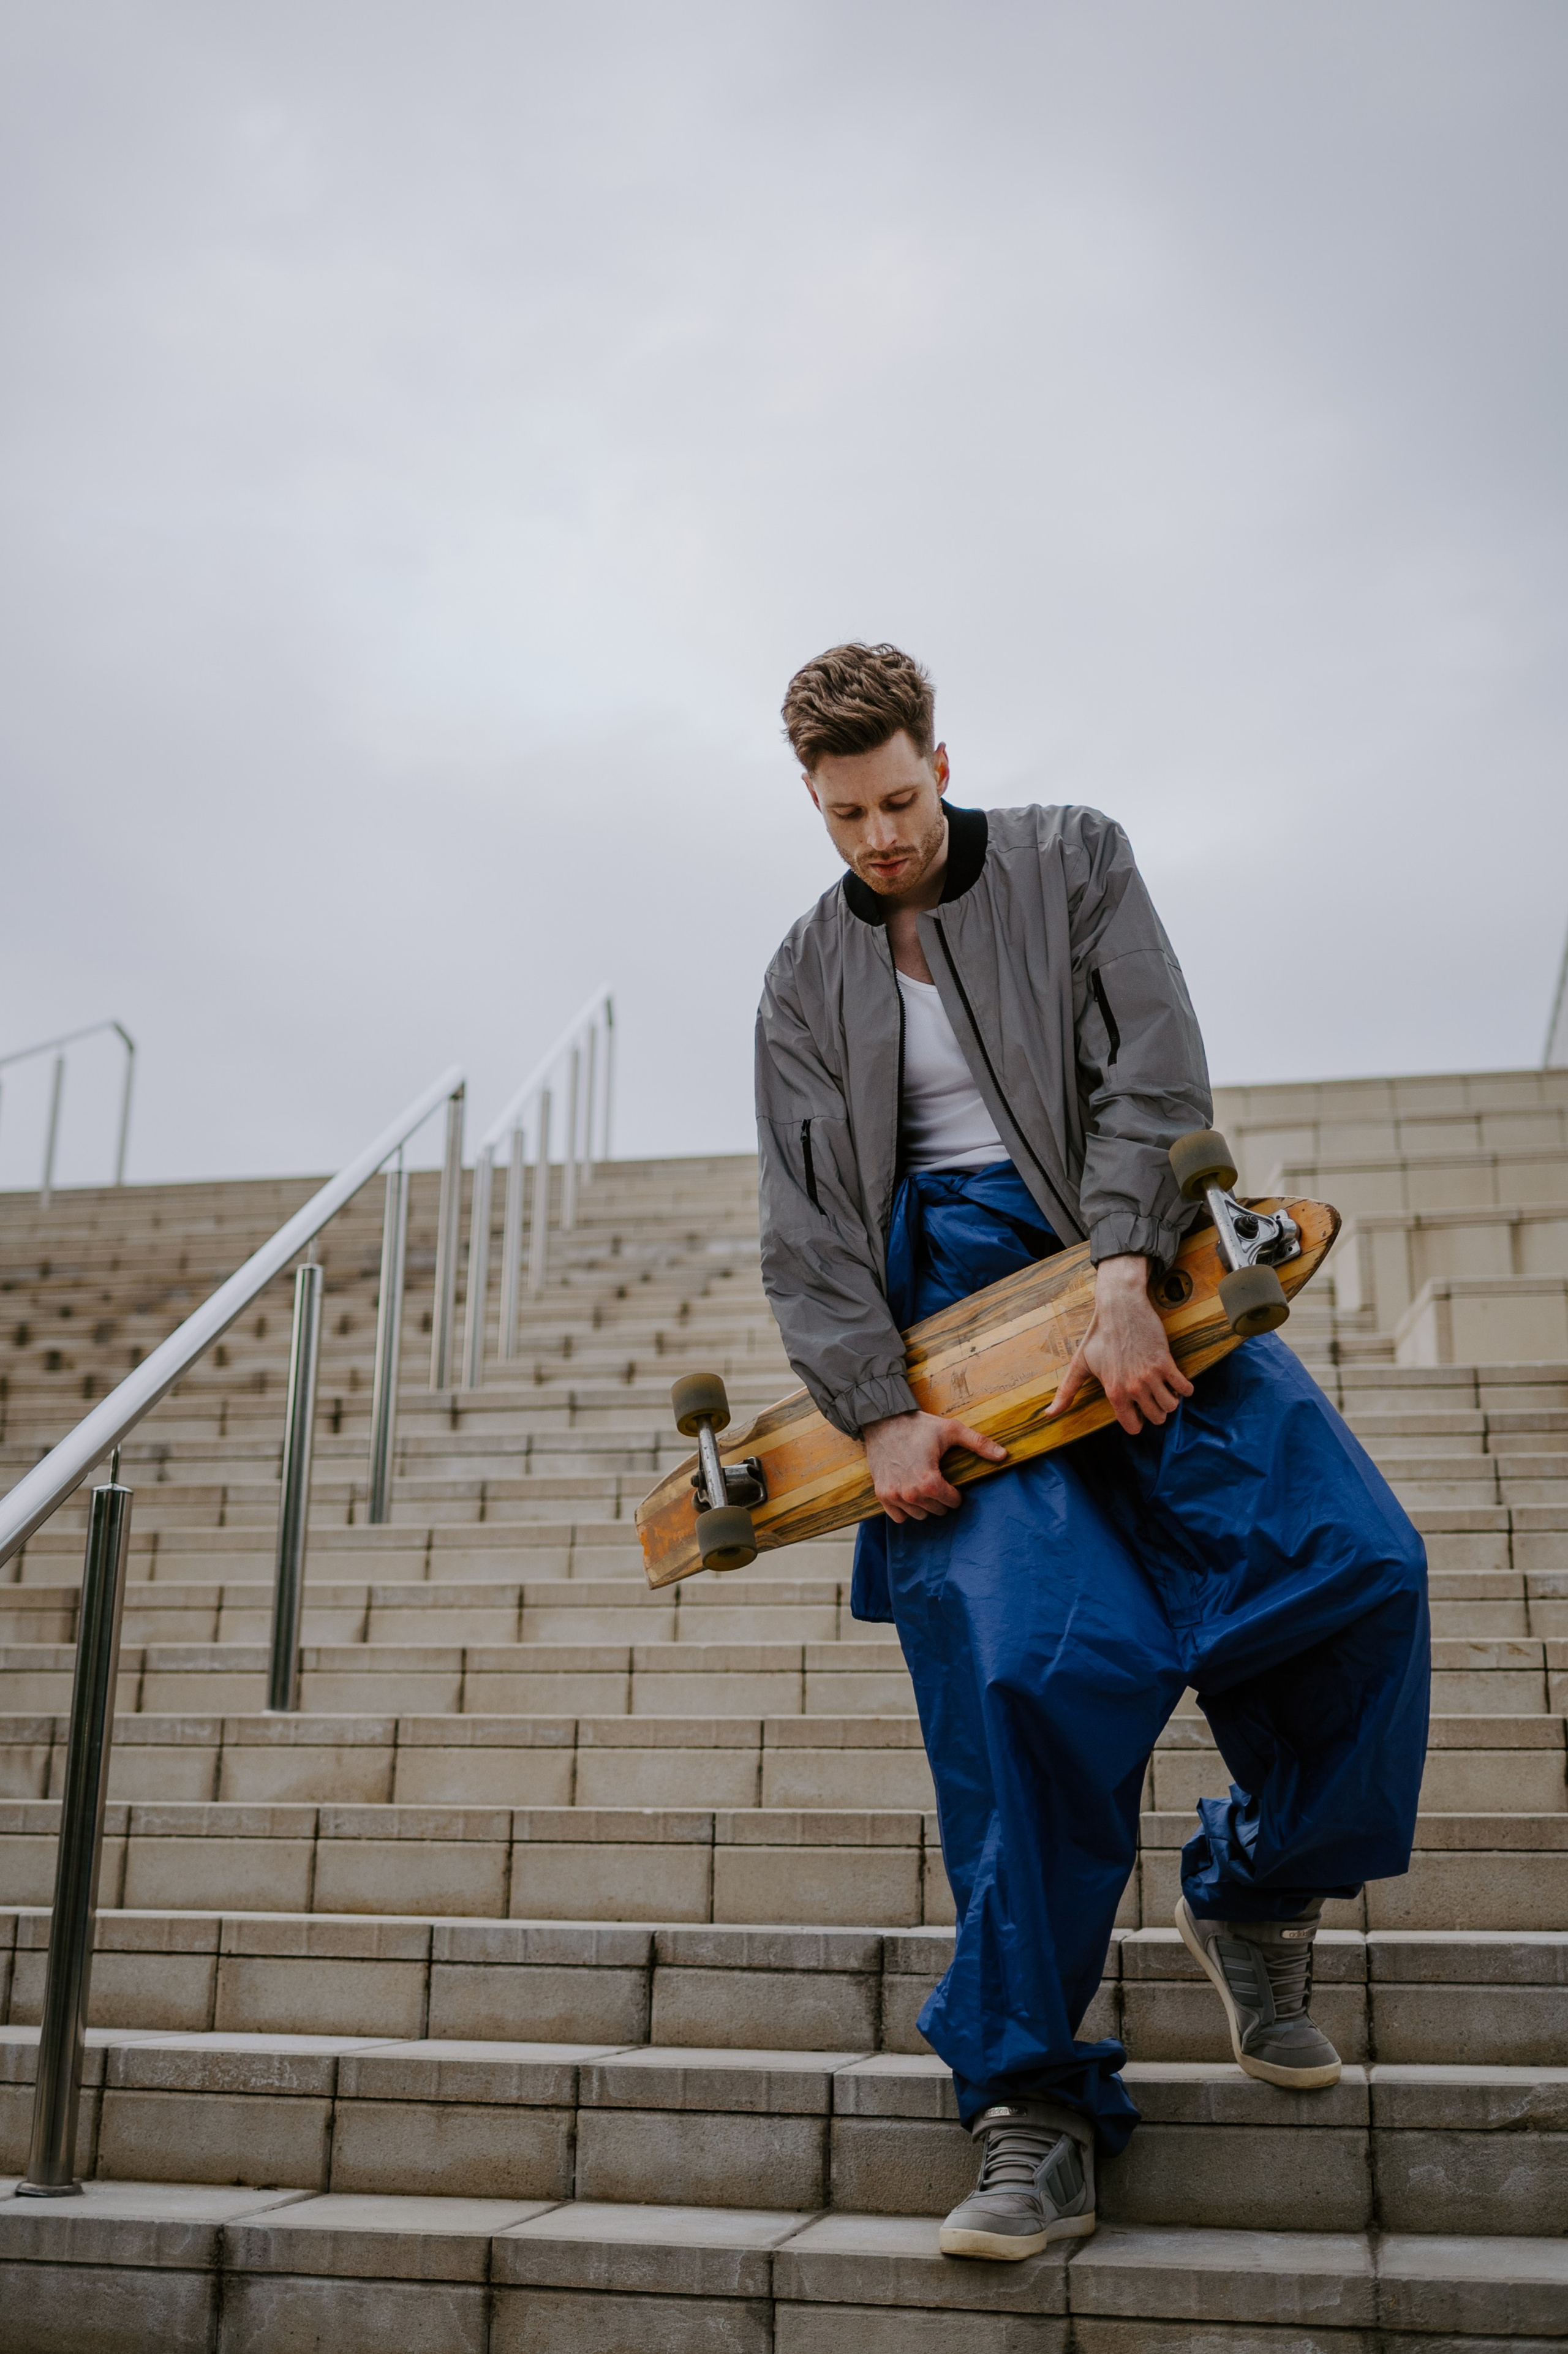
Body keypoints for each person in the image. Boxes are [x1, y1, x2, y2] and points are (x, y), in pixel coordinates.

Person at [753, 641, 1430, 2260]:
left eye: (901, 799)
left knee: (1357, 1566)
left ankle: (1258, 1891)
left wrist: (1127, 1269)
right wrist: (879, 1409)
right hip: (946, 1346)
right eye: (845, 816)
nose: (880, 839)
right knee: (1036, 1671)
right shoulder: (801, 974)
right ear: (815, 800)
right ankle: (1032, 2110)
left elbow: (1156, 1065)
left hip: (1129, 1272)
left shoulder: (1073, 856)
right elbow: (806, 1223)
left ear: (940, 754)